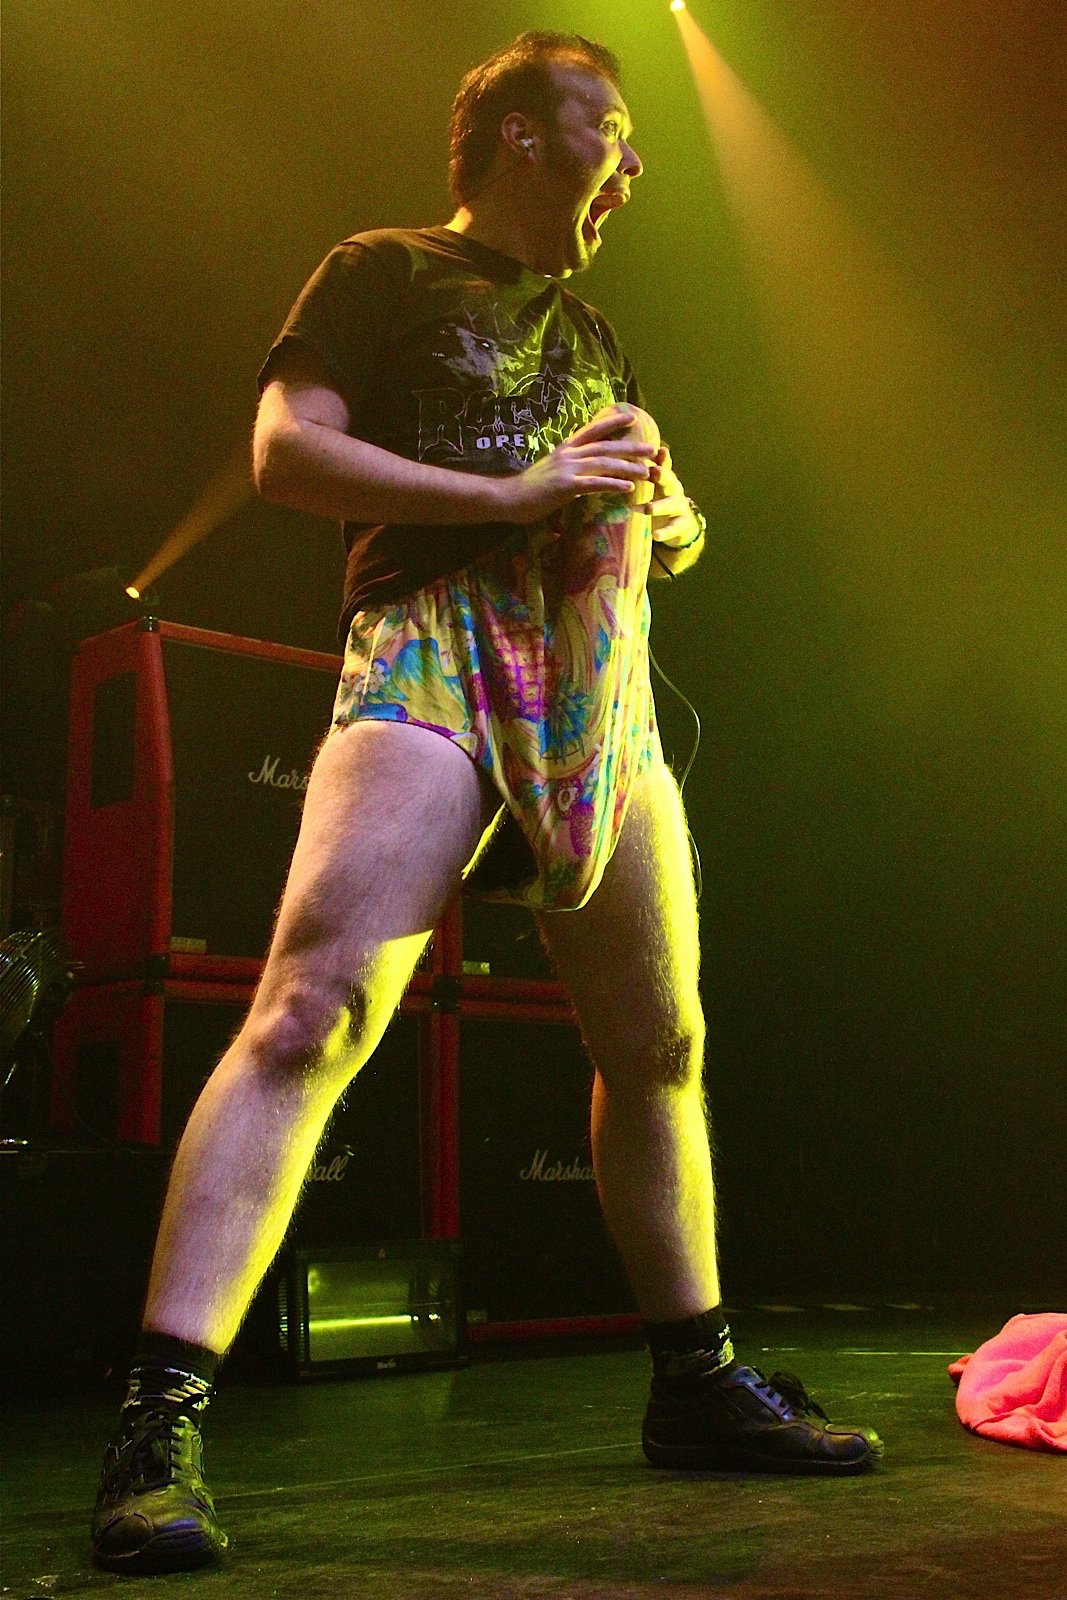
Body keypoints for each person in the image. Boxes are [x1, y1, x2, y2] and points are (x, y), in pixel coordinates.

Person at [90, 30, 883, 1576]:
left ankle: (696, 1380)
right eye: (612, 126)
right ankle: (157, 1424)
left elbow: (664, 529)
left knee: (660, 1046)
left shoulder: (594, 331)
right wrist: (512, 497)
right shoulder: (382, 267)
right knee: (310, 1014)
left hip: (600, 680)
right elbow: (285, 453)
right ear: (522, 132)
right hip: (437, 649)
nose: (634, 163)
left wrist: (669, 506)